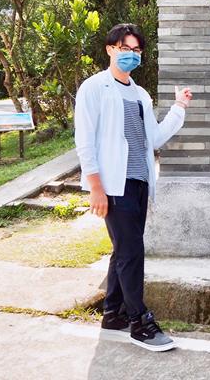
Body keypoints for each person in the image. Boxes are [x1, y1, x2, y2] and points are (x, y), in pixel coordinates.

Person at [74, 23, 192, 352]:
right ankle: (140, 322)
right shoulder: (94, 88)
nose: (132, 55)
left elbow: (153, 138)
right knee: (131, 252)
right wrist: (96, 187)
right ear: (110, 49)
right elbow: (85, 141)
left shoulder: (140, 94)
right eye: (125, 49)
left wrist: (179, 108)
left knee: (124, 250)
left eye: (137, 50)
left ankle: (113, 313)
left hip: (139, 183)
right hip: (114, 185)